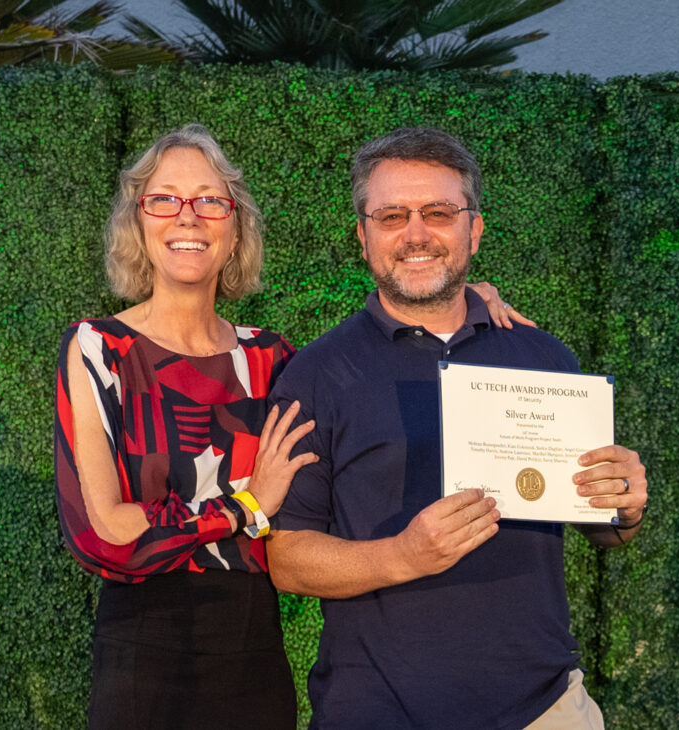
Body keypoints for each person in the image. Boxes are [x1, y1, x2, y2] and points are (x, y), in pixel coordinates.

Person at [53, 123, 527, 729]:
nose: (189, 218)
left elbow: (374, 358)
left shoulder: (273, 360)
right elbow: (104, 536)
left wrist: (469, 299)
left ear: (235, 229)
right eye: (165, 199)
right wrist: (245, 506)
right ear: (138, 223)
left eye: (210, 201)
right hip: (142, 655)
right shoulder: (99, 348)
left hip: (254, 655)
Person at [266, 127, 649, 730]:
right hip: (376, 710)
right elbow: (286, 560)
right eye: (392, 215)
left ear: (474, 229)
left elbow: (600, 527)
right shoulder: (315, 375)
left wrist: (621, 509)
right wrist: (402, 556)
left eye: (439, 212)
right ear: (363, 237)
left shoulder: (546, 359)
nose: (416, 233)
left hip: (544, 707)